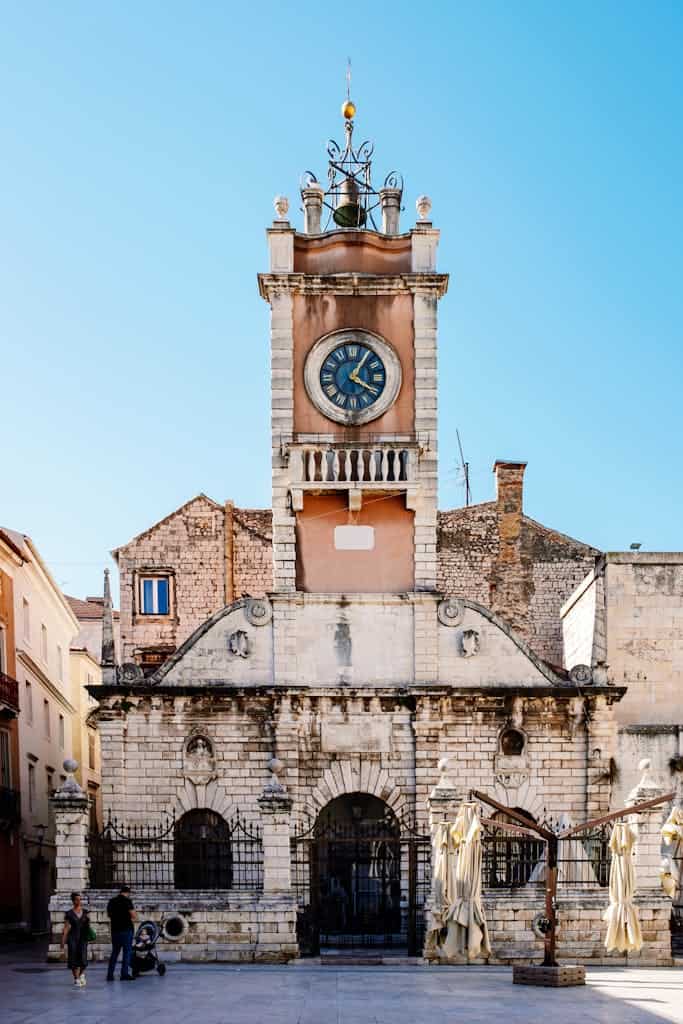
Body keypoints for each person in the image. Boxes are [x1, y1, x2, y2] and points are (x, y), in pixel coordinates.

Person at [106, 884, 136, 981]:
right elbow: (133, 915)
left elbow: (109, 915)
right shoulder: (127, 901)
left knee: (115, 952)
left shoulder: (112, 901)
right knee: (126, 953)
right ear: (127, 893)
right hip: (126, 930)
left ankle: (110, 975)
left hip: (115, 930)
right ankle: (124, 974)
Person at [60, 892, 90, 987]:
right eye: (77, 899)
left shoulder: (85, 912)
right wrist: (63, 941)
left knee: (84, 960)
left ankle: (81, 974)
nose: (79, 901)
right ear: (73, 901)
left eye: (80, 899)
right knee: (73, 959)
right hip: (72, 938)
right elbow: (66, 928)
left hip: (83, 938)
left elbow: (88, 926)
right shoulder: (69, 913)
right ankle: (76, 979)